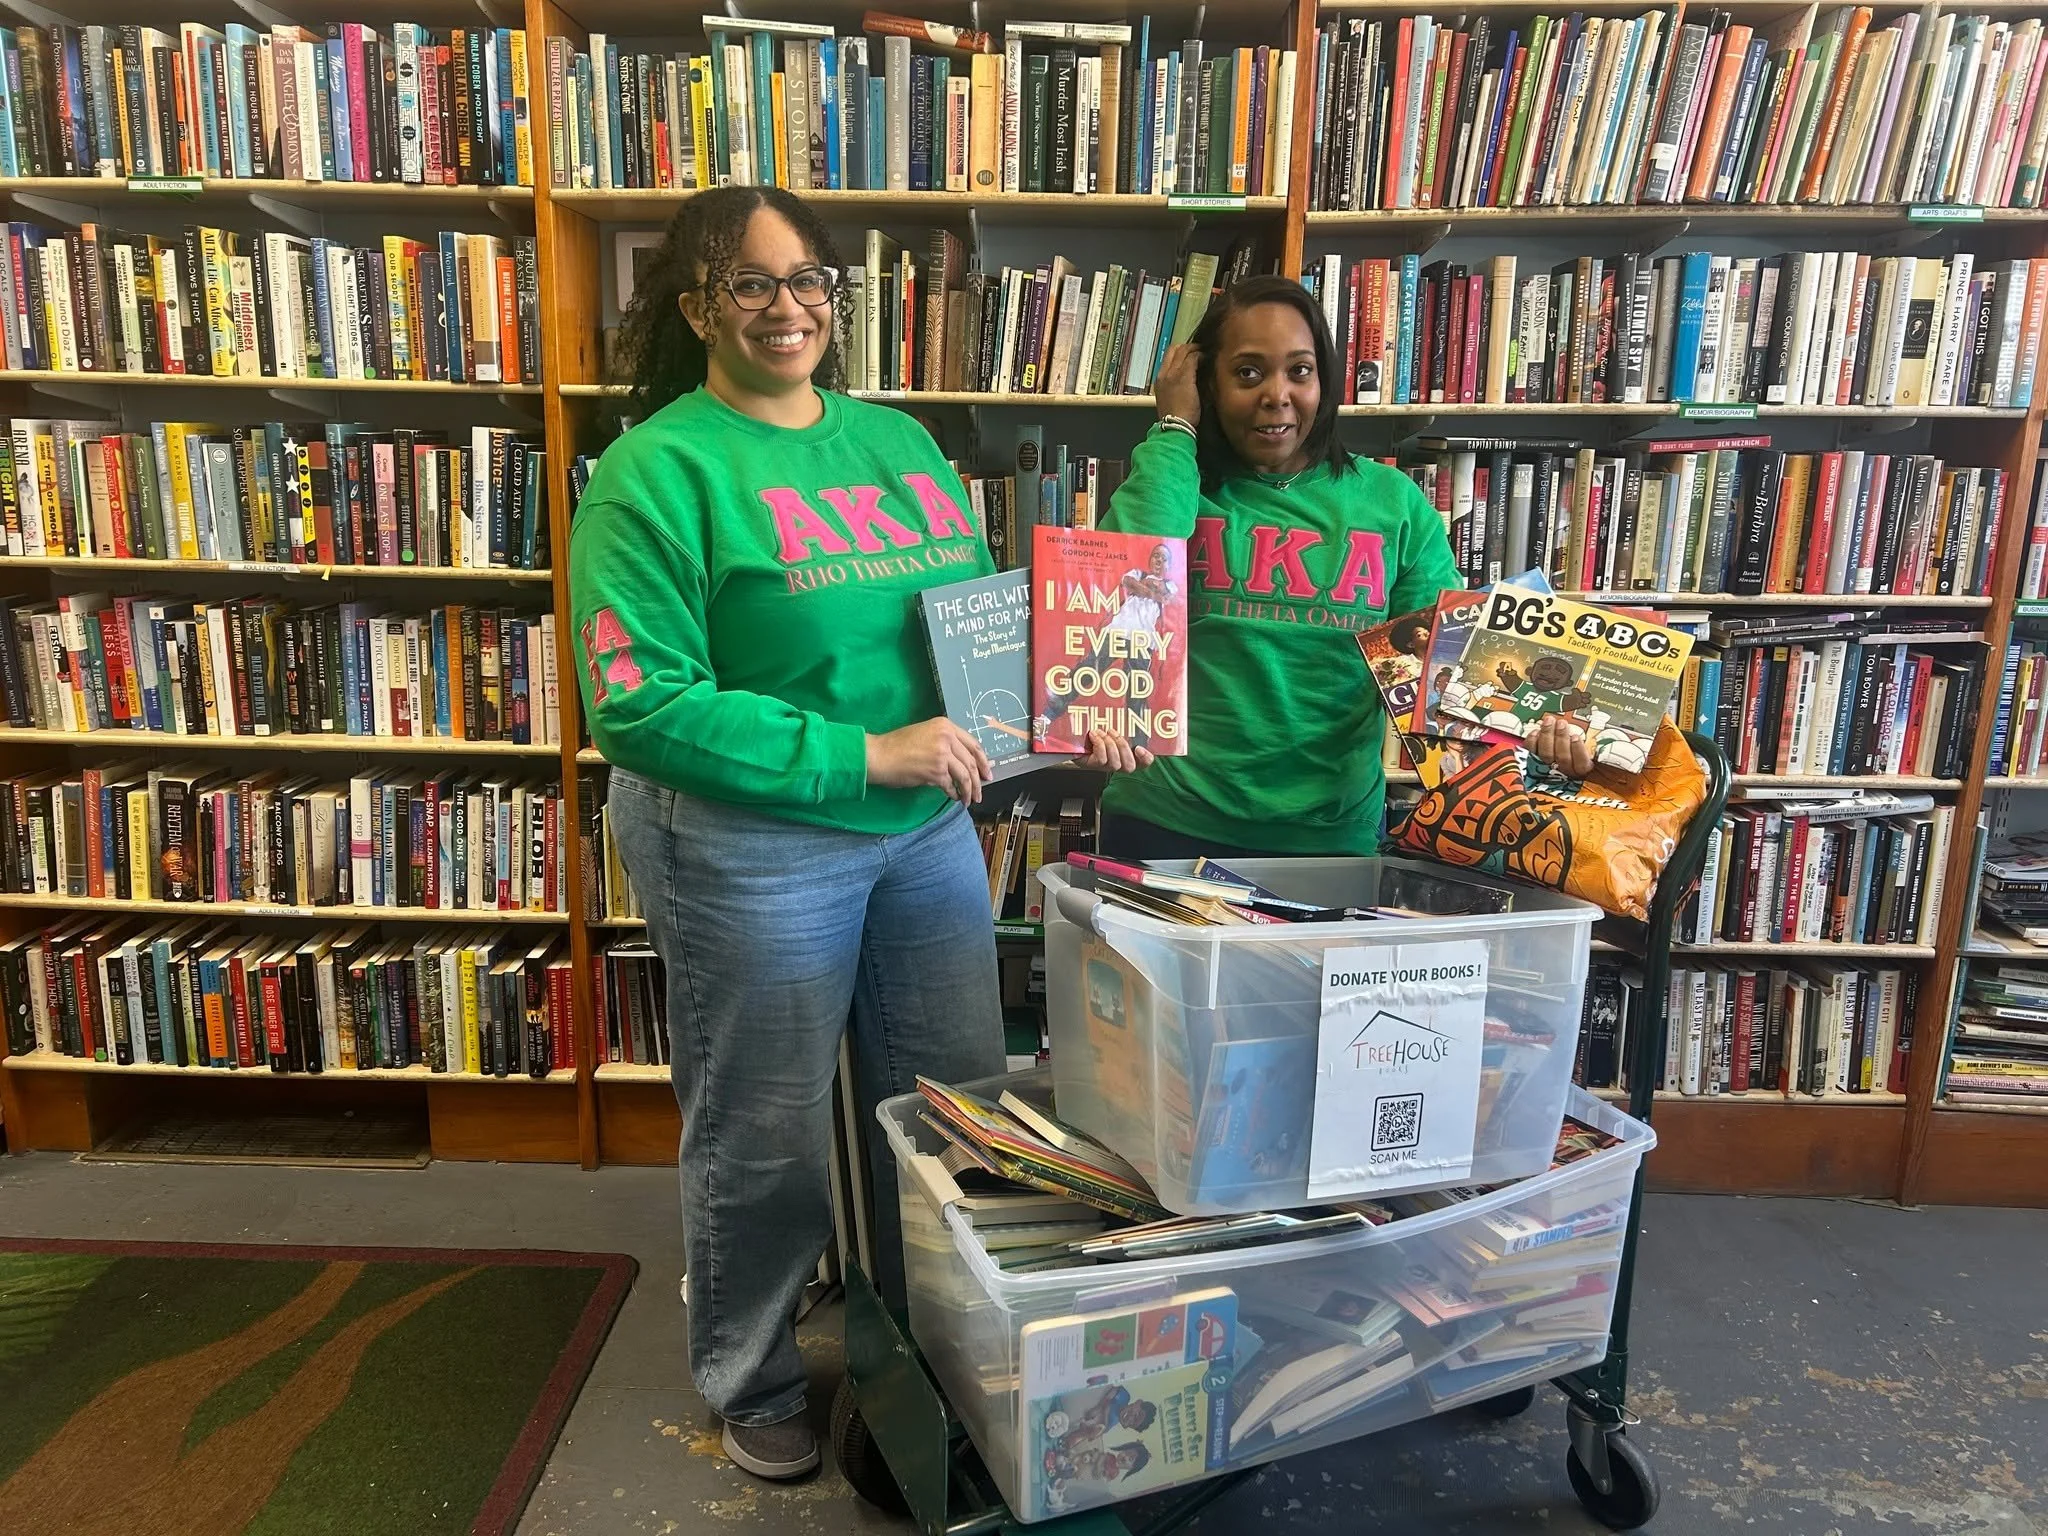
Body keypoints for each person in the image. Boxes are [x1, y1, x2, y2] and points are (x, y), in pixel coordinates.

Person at [569, 185, 1139, 1482]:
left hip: (918, 830)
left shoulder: (896, 442)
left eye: (809, 278)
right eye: (753, 283)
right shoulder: (660, 471)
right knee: (761, 1132)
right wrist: (861, 752)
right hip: (747, 840)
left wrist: (1075, 700)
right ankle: (754, 1371)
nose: (789, 306)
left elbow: (968, 629)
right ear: (698, 304)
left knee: (956, 1105)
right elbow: (642, 706)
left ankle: (935, 1330)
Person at [1099, 276, 1591, 860]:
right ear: (1206, 383)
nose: (1276, 394)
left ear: (1325, 381)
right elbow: (1119, 579)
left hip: (1328, 839)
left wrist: (1546, 726)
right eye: (1248, 373)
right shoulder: (1176, 484)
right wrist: (1175, 427)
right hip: (1165, 819)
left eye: (1299, 371)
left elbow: (1447, 670)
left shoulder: (1393, 503)